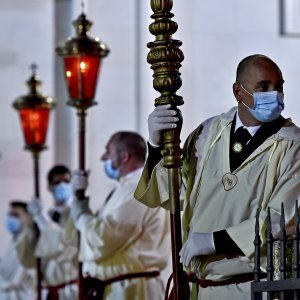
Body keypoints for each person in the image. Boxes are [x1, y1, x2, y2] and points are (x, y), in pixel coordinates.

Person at [134, 54, 300, 299]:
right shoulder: (207, 133)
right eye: (263, 87)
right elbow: (177, 195)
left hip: (251, 286)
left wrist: (214, 241)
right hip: (198, 287)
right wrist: (156, 146)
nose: (274, 95)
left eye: (279, 86)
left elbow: (282, 219)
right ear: (238, 91)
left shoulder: (293, 144)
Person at [70, 131, 171, 299]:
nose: (103, 157)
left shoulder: (137, 189)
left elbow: (104, 238)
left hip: (130, 290)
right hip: (119, 287)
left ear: (124, 156)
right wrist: (79, 201)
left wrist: (80, 214)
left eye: (108, 151)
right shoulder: (126, 188)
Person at [16, 165, 78, 300]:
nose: (62, 186)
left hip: (69, 290)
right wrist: (30, 225)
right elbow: (28, 260)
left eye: (66, 182)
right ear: (49, 187)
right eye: (57, 183)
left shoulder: (77, 214)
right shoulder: (47, 216)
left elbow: (65, 245)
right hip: (47, 290)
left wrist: (41, 218)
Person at [0, 201, 36, 300]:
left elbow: (15, 280)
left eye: (16, 215)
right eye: (10, 215)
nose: (11, 219)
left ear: (27, 218)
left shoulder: (30, 243)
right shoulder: (13, 243)